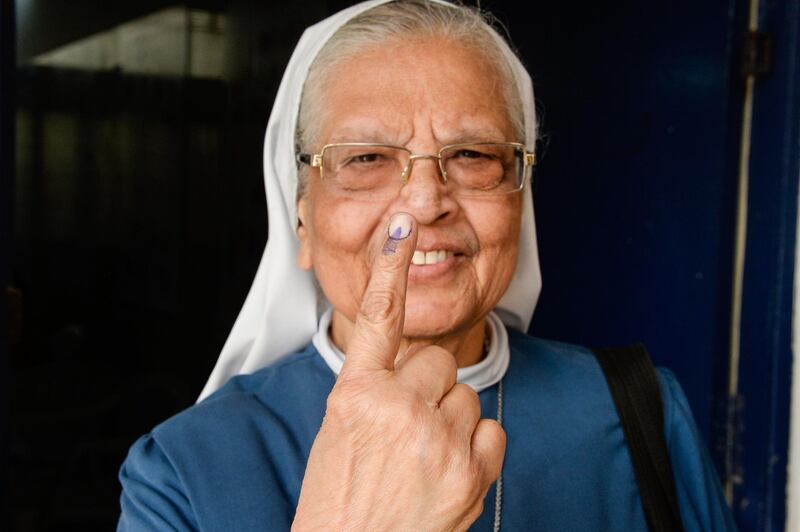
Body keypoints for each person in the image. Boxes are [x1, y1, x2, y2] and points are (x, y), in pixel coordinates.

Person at [117, 1, 737, 530]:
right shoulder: (183, 471)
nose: (424, 201)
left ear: (519, 201)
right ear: (300, 217)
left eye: (471, 154)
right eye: (365, 159)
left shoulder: (640, 411)